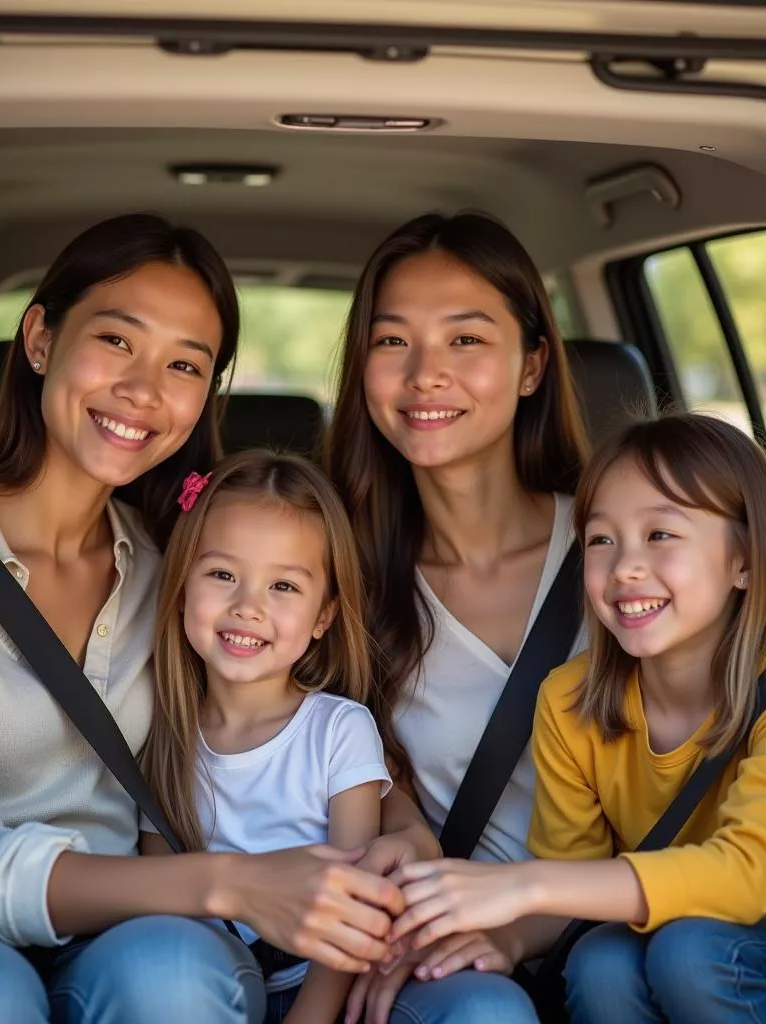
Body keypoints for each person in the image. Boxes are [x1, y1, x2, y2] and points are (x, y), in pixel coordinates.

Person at [0, 214, 411, 1024]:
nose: (145, 389)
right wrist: (228, 882)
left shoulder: (172, 567)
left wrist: (410, 834)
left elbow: (293, 726)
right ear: (39, 339)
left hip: (112, 934)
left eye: (185, 363)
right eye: (116, 341)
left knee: (174, 969)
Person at [386, 412, 766, 1023]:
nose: (625, 566)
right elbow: (578, 885)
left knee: (691, 952)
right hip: (679, 931)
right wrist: (507, 938)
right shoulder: (568, 700)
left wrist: (522, 885)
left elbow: (747, 874)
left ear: (743, 560)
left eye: (661, 535)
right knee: (599, 961)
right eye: (600, 539)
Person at [327, 211, 589, 1023]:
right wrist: (402, 841)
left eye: (467, 340)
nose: (425, 374)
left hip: (632, 925)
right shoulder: (338, 575)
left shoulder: (629, 545)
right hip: (450, 954)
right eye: (392, 340)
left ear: (532, 365)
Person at [141, 450, 391, 1024]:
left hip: (313, 991)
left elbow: (352, 900)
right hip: (196, 990)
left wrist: (312, 1015)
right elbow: (159, 896)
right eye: (223, 575)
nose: (248, 606)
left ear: (323, 617)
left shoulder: (339, 730)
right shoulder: (161, 736)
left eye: (283, 585)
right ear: (182, 585)